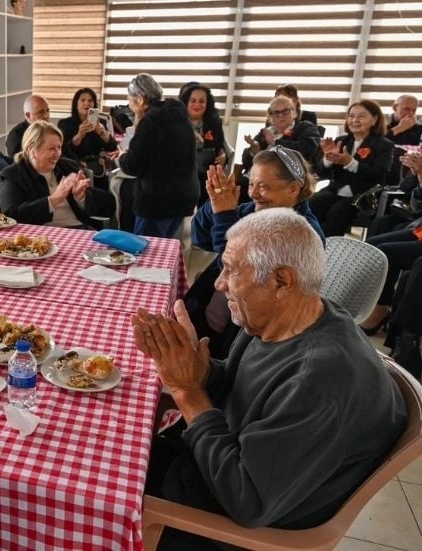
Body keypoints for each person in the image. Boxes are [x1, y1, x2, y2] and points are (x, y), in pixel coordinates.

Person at [137, 208, 406, 549]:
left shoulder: (319, 380)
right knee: (101, 443)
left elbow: (246, 501)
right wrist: (197, 368)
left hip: (224, 524)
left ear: (281, 281)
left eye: (231, 271)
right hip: (210, 464)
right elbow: (245, 391)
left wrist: (188, 391)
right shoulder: (285, 318)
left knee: (75, 494)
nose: (219, 284)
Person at [186, 147, 325, 358]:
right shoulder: (254, 210)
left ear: (294, 188)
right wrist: (214, 203)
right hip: (213, 307)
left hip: (246, 332)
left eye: (263, 186)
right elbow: (200, 238)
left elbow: (237, 271)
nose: (253, 193)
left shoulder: (304, 233)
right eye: (251, 184)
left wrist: (224, 215)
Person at [117, 73, 199, 237]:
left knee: (147, 254)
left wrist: (121, 156)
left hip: (158, 201)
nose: (129, 105)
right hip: (184, 196)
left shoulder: (150, 121)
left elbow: (133, 165)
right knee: (164, 250)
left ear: (140, 99)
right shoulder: (180, 116)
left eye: (130, 100)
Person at [0, 121, 115, 228]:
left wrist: (81, 197)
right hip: (38, 237)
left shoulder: (68, 167)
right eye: (51, 149)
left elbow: (107, 206)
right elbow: (10, 216)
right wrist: (54, 199)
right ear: (31, 150)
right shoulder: (12, 175)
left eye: (59, 147)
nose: (57, 154)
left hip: (77, 230)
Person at [310, 99, 395, 237]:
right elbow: (321, 172)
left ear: (374, 120)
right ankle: (309, 246)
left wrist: (351, 162)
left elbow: (379, 174)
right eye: (351, 116)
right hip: (336, 189)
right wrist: (328, 158)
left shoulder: (384, 145)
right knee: (312, 203)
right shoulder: (341, 141)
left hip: (362, 196)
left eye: (361, 116)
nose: (355, 120)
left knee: (337, 212)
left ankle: (332, 252)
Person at [239, 95, 321, 204]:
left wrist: (275, 142)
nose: (281, 115)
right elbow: (245, 163)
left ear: (294, 112)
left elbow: (306, 149)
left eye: (285, 111)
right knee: (240, 186)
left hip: (286, 177)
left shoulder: (305, 128)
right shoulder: (266, 132)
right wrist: (254, 150)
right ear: (271, 116)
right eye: (276, 113)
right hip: (258, 178)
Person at [178, 82, 228, 207]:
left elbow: (220, 146)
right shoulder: (176, 121)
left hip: (205, 172)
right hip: (181, 172)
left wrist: (223, 156)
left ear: (207, 104)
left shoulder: (214, 121)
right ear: (186, 102)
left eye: (201, 101)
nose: (197, 104)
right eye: (193, 100)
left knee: (210, 192)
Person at [56, 87, 117, 171]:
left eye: (90, 101)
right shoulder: (65, 124)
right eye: (83, 100)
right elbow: (63, 150)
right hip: (74, 166)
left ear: (94, 104)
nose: (86, 103)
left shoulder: (101, 122)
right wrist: (79, 135)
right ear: (76, 104)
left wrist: (103, 134)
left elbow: (112, 148)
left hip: (97, 166)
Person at [6, 94, 51, 159]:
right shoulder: (16, 135)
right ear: (28, 115)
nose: (47, 115)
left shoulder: (50, 130)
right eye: (41, 112)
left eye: (47, 110)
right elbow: (17, 162)